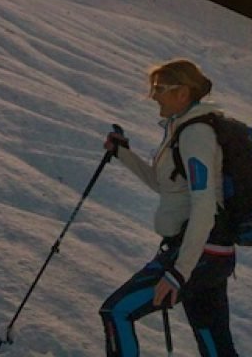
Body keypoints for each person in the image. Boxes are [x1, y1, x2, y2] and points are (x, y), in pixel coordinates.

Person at [100, 59, 239, 357]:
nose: (153, 95)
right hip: (211, 254)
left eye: (160, 88)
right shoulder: (183, 130)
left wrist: (179, 271)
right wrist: (122, 153)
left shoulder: (195, 134)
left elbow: (204, 204)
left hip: (199, 253)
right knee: (214, 344)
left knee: (118, 312)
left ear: (183, 93)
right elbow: (166, 186)